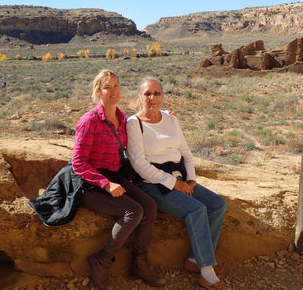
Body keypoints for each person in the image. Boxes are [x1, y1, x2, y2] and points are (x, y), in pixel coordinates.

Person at [126, 76, 228, 290]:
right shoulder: (134, 124)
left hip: (179, 178)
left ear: (163, 96)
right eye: (147, 94)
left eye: (157, 93)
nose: (152, 98)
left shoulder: (170, 119)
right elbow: (139, 164)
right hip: (152, 183)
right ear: (139, 97)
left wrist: (190, 179)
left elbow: (186, 152)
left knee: (217, 205)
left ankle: (193, 261)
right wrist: (174, 183)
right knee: (197, 209)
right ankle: (207, 272)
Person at [72, 70, 166, 289]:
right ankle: (102, 261)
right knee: (133, 211)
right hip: (91, 184)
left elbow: (144, 123)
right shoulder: (90, 121)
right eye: (107, 87)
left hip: (115, 177)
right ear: (98, 92)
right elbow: (78, 163)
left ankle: (139, 263)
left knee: (150, 207)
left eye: (116, 86)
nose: (114, 91)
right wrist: (106, 183)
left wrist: (165, 118)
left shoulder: (122, 118)